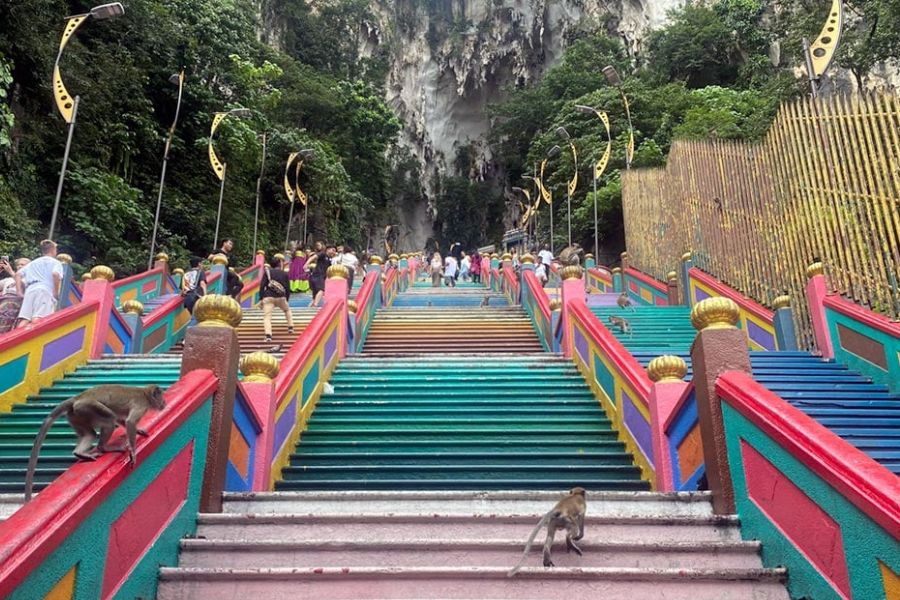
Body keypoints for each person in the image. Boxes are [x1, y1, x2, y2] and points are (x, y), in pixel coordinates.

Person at [15, 240, 63, 328]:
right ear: (52, 250)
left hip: (30, 290)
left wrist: (19, 292)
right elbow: (55, 274)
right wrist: (55, 292)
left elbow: (18, 274)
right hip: (44, 290)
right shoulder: (56, 262)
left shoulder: (33, 263)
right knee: (38, 317)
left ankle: (15, 339)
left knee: (25, 319)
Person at [260, 256, 294, 342]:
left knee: (267, 317)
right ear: (280, 264)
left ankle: (268, 335)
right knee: (287, 310)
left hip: (268, 297)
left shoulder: (268, 272)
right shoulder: (284, 273)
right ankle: (290, 327)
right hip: (281, 297)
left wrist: (261, 298)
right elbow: (287, 287)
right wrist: (287, 298)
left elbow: (262, 286)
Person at [0, 257, 28, 333]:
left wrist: (10, 271)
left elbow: (22, 286)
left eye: (22, 265)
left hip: (14, 305)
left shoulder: (28, 279)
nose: (20, 266)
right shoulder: (9, 280)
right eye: (18, 264)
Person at [307, 241, 331, 307]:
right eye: (317, 245)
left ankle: (312, 305)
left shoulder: (328, 258)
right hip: (318, 275)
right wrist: (306, 263)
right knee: (321, 290)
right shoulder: (322, 253)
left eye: (319, 245)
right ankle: (315, 304)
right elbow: (313, 257)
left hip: (319, 276)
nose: (318, 246)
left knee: (316, 293)